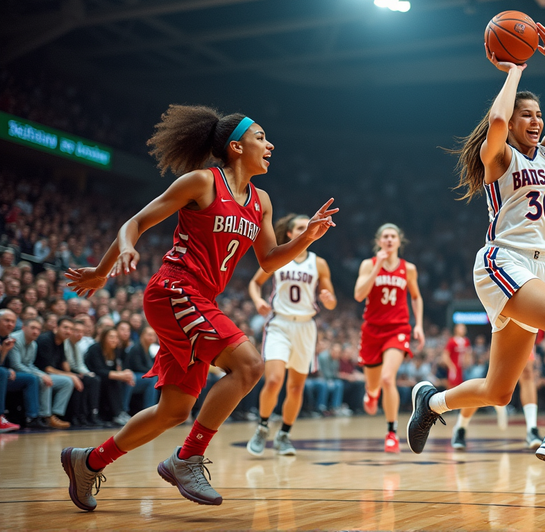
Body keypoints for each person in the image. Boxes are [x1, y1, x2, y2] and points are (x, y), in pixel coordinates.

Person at [60, 105, 338, 511]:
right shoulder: (203, 182)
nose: (270, 144)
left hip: (199, 300)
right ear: (237, 146)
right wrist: (107, 267)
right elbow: (134, 223)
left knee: (174, 410)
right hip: (173, 290)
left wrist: (307, 238)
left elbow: (269, 260)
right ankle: (187, 458)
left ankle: (88, 463)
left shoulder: (261, 201)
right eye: (261, 137)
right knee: (249, 366)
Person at [408, 23, 545, 468]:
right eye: (528, 115)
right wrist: (515, 70)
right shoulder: (498, 155)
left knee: (500, 391)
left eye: (539, 114)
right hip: (504, 261)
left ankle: (430, 403)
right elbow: (498, 120)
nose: (536, 121)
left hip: (538, 267)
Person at [247, 213, 337, 457]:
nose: (304, 229)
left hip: (306, 327)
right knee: (274, 380)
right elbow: (255, 283)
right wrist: (257, 301)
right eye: (299, 227)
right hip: (280, 323)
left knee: (296, 388)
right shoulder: (279, 256)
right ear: (288, 233)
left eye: (306, 226)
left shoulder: (318, 263)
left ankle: (284, 434)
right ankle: (263, 427)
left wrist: (328, 299)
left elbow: (331, 302)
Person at [353, 223, 425, 453]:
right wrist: (378, 267)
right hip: (372, 330)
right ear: (379, 241)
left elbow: (416, 297)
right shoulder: (368, 265)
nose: (389, 239)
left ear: (399, 241)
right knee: (374, 383)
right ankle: (371, 393)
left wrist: (419, 325)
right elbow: (358, 294)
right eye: (385, 236)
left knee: (387, 379)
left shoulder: (408, 269)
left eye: (393, 236)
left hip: (398, 329)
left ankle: (392, 433)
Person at [8, 317, 72, 429]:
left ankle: (54, 415)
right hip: (13, 373)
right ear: (23, 327)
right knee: (43, 380)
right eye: (33, 328)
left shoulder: (33, 344)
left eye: (38, 329)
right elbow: (16, 365)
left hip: (27, 373)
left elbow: (30, 365)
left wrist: (42, 374)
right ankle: (44, 416)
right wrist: (40, 375)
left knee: (66, 382)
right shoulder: (15, 340)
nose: (36, 331)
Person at [84, 327, 134, 426]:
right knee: (114, 380)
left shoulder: (115, 350)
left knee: (121, 380)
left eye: (116, 337)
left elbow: (115, 368)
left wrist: (125, 375)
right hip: (93, 377)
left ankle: (121, 412)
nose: (114, 340)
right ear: (104, 338)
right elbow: (98, 370)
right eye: (111, 337)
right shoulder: (95, 348)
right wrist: (120, 375)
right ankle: (117, 414)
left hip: (105, 378)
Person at [124, 326, 159, 414]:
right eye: (149, 335)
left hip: (141, 376)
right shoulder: (136, 348)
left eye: (153, 335)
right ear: (142, 335)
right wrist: (154, 372)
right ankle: (149, 410)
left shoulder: (149, 349)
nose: (151, 337)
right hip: (132, 376)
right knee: (153, 379)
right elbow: (137, 367)